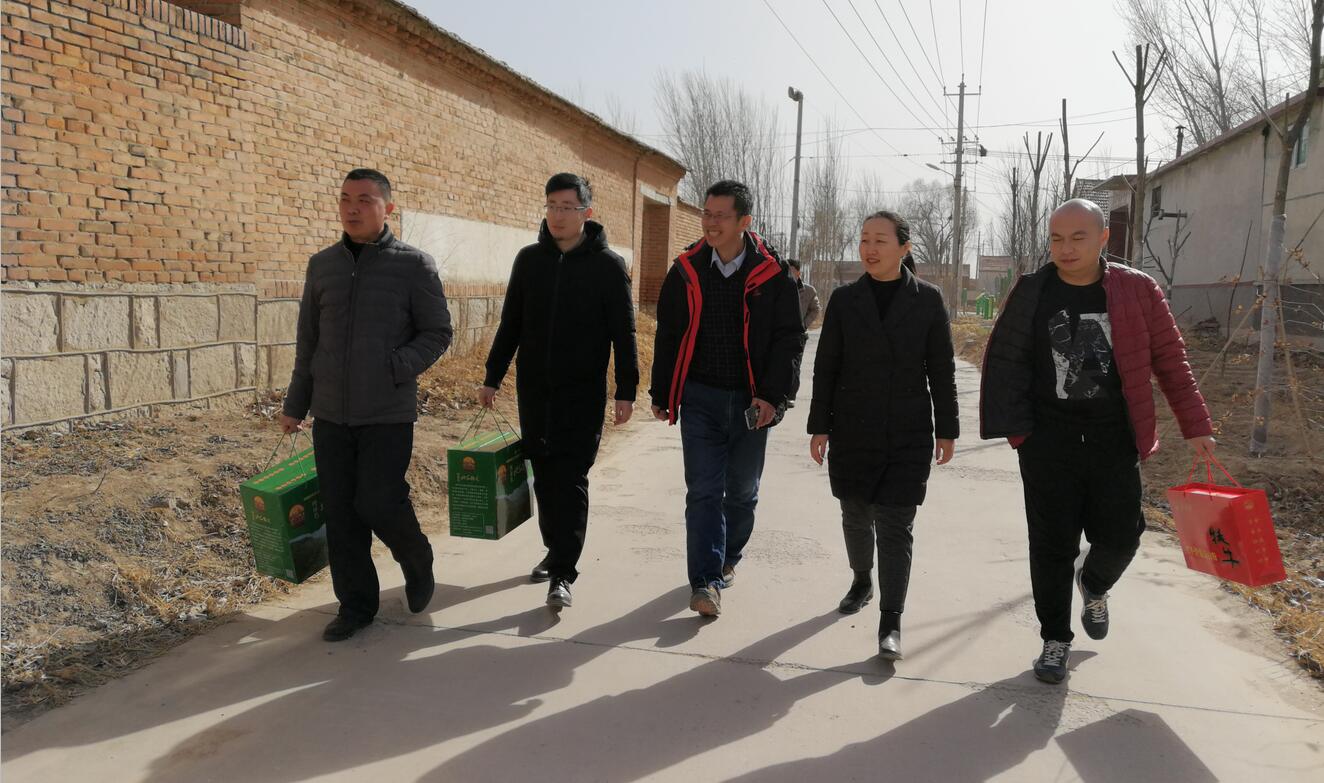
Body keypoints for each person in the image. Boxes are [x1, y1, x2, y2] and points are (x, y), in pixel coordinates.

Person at [979, 198, 1215, 684]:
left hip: (1114, 437)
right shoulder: (1032, 290)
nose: (1065, 248)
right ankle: (1054, 640)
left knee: (1123, 534)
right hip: (1048, 441)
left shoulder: (1137, 290)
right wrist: (1021, 432)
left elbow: (1171, 360)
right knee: (1052, 544)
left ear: (1104, 238)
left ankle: (1094, 581)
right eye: (1056, 238)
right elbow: (1004, 359)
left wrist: (1196, 425)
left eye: (1077, 237)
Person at [281, 168, 453, 642]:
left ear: (387, 208)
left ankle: (416, 556)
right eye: (345, 199)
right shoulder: (322, 265)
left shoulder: (413, 265)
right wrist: (296, 404)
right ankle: (356, 606)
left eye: (364, 200)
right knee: (341, 512)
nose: (352, 208)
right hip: (330, 412)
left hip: (387, 411)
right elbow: (308, 341)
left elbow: (438, 332)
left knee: (378, 500)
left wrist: (395, 366)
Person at [480, 173, 638, 610]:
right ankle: (555, 551)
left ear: (587, 213)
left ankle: (564, 572)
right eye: (552, 206)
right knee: (545, 477)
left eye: (567, 207)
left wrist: (626, 390)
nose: (558, 215)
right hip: (535, 391)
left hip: (582, 395)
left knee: (571, 478)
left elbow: (624, 333)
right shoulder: (530, 260)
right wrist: (493, 376)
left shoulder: (607, 267)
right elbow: (511, 322)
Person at [649, 180, 806, 618]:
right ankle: (704, 582)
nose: (710, 223)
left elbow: (789, 340)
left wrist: (773, 397)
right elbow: (669, 333)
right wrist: (662, 390)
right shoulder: (686, 270)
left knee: (741, 491)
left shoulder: (773, 275)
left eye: (721, 216)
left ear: (744, 222)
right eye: (707, 213)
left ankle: (728, 556)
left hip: (752, 402)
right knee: (703, 490)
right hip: (700, 396)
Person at [807, 210, 958, 660]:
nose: (869, 249)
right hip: (853, 428)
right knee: (855, 514)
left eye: (880, 240)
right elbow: (826, 367)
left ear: (904, 248)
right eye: (864, 239)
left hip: (907, 431)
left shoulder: (927, 300)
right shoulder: (844, 300)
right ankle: (861, 580)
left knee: (895, 526)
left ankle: (891, 620)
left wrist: (947, 429)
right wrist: (819, 425)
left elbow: (942, 370)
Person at [787, 258, 821, 328]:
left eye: (791, 272)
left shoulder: (809, 291)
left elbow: (816, 309)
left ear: (798, 273)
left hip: (798, 332)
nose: (788, 275)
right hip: (779, 332)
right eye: (786, 272)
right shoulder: (778, 290)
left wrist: (804, 325)